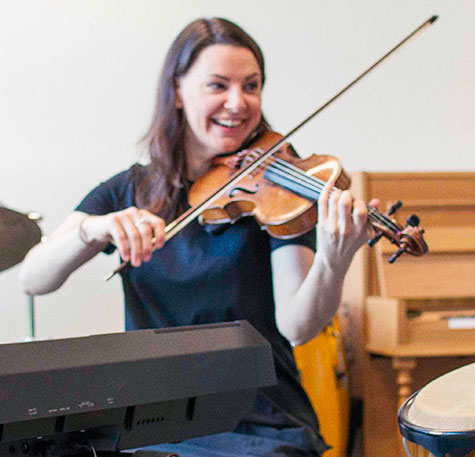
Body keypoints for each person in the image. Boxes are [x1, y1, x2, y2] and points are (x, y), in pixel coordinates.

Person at [19, 18, 374, 457]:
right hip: (150, 421)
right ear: (178, 92)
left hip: (259, 420)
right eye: (218, 85)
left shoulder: (278, 185)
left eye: (251, 85)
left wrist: (335, 261)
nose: (237, 103)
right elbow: (34, 278)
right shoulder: (130, 191)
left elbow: (298, 326)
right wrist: (94, 229)